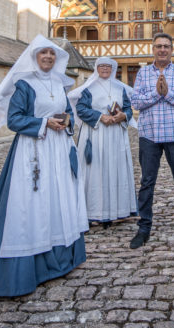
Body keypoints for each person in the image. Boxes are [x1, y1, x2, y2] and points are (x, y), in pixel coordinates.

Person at [0, 35, 88, 297]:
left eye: (52, 53)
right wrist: (44, 123)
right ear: (35, 57)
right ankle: (29, 267)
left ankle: (60, 261)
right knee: (30, 205)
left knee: (58, 200)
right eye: (43, 53)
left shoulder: (60, 84)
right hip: (34, 151)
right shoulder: (24, 84)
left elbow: (68, 114)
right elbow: (14, 120)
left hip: (58, 150)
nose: (48, 57)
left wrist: (66, 121)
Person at [130, 32, 174, 249]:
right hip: (149, 135)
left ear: (171, 49)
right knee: (147, 183)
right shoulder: (142, 73)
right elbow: (136, 102)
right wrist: (156, 94)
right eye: (158, 46)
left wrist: (167, 94)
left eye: (166, 46)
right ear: (153, 49)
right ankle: (144, 227)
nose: (162, 49)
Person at [67, 57, 137, 229]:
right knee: (95, 171)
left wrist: (123, 115)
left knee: (116, 169)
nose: (105, 69)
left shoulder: (120, 88)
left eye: (108, 66)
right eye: (101, 66)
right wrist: (100, 117)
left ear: (113, 69)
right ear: (97, 68)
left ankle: (118, 210)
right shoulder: (88, 88)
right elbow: (81, 109)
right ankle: (94, 212)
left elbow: (128, 108)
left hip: (116, 135)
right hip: (96, 134)